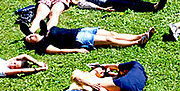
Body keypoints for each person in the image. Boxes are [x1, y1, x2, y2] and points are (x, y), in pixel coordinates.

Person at [24, 26, 154, 55]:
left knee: (112, 33)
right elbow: (59, 50)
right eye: (29, 40)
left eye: (29, 35)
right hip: (79, 39)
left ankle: (139, 35)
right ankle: (137, 42)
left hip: (82, 30)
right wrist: (77, 50)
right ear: (33, 44)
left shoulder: (45, 30)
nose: (30, 37)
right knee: (109, 39)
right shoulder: (43, 45)